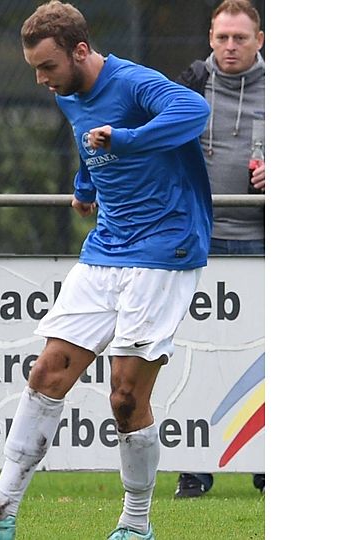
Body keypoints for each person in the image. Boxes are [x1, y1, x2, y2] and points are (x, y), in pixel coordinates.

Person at [0, 2, 211, 539]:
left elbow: (193, 113)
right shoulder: (69, 94)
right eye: (36, 70)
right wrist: (86, 186)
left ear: (81, 51)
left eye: (48, 67)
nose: (43, 81)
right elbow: (88, 141)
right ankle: (0, 509)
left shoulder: (135, 83)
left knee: (125, 394)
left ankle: (136, 526)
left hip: (165, 246)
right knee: (47, 373)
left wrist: (128, 138)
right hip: (107, 246)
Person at [173, 0, 265, 499]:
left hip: (263, 240)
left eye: (241, 38)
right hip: (197, 240)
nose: (230, 47)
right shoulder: (187, 83)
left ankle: (269, 463)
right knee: (194, 356)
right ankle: (194, 467)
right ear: (210, 37)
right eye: (222, 37)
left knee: (267, 358)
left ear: (260, 40)